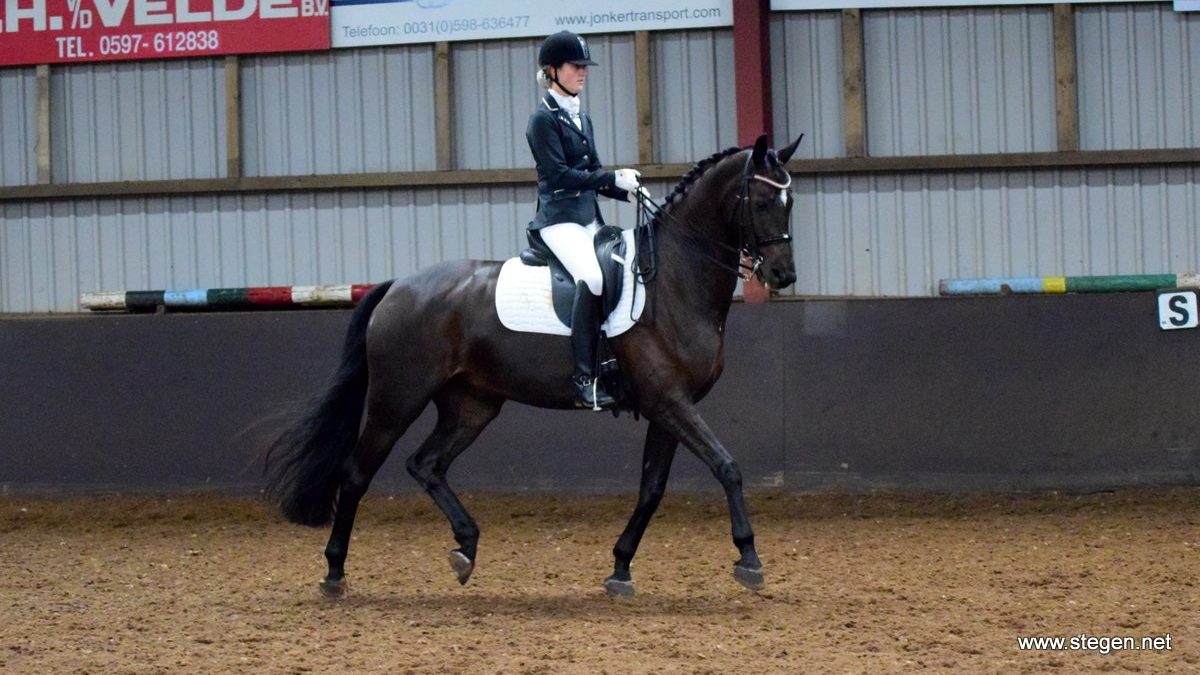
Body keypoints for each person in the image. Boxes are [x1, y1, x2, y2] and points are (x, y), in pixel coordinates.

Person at [526, 30, 642, 411]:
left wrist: (625, 191)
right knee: (591, 278)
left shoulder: (582, 117)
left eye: (584, 67)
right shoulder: (542, 120)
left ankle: (613, 362)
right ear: (553, 70)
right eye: (576, 66)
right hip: (558, 220)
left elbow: (591, 172)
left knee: (623, 269)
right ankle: (583, 378)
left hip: (588, 218)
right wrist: (610, 178)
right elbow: (560, 176)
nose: (583, 73)